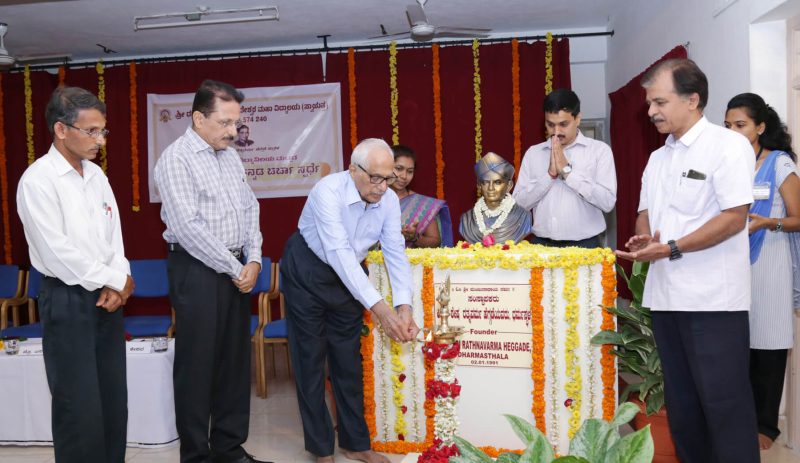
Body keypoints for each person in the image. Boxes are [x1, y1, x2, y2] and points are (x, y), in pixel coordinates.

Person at [617, 59, 759, 462]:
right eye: (649, 103)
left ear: (692, 100)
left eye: (660, 102)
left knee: (725, 408)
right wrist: (647, 237)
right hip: (666, 300)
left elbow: (733, 217)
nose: (651, 111)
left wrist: (672, 247)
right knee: (683, 410)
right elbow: (646, 213)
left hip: (714, 303)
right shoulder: (658, 158)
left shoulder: (727, 146)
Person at [281, 138, 419, 463]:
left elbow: (394, 251)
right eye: (376, 178)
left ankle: (355, 442)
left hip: (350, 277)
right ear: (353, 170)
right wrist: (381, 310)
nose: (383, 187)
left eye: (388, 178)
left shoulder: (387, 200)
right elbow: (338, 253)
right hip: (308, 271)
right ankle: (320, 449)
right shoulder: (327, 191)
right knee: (310, 361)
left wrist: (404, 306)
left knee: (347, 361)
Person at [16, 86, 134, 462]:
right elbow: (57, 252)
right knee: (78, 407)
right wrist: (111, 280)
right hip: (66, 298)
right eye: (91, 131)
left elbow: (113, 236)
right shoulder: (38, 180)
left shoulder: (96, 176)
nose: (100, 140)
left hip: (107, 298)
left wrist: (120, 278)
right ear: (61, 129)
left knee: (112, 401)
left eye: (103, 131)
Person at [154, 79, 266, 463]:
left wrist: (254, 259)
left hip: (236, 269)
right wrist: (237, 268)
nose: (233, 132)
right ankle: (196, 456)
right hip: (197, 269)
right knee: (197, 366)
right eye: (225, 123)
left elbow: (250, 208)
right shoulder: (176, 159)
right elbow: (188, 227)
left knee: (234, 363)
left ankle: (229, 448)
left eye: (236, 123)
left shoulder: (230, 157)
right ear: (199, 119)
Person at [725, 92, 800, 450]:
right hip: (734, 263)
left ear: (760, 127)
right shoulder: (728, 164)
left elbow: (798, 218)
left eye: (740, 125)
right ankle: (741, 421)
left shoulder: (779, 163)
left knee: (769, 343)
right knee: (740, 344)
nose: (733, 132)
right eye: (728, 126)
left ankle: (766, 427)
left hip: (771, 260)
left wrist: (770, 222)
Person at [512, 88, 616, 248]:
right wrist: (549, 176)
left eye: (563, 124)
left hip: (587, 245)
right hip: (541, 245)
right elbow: (518, 205)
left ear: (578, 119)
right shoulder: (534, 153)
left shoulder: (599, 151)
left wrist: (568, 172)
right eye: (550, 124)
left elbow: (607, 202)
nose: (556, 131)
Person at [460, 152, 532, 244]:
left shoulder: (523, 217)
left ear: (509, 185)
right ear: (479, 185)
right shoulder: (467, 220)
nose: (491, 188)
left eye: (497, 182)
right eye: (485, 182)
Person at [389, 144, 446, 247]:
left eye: (410, 171)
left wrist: (414, 237)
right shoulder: (371, 199)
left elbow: (435, 242)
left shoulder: (422, 204)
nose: (404, 176)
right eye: (399, 168)